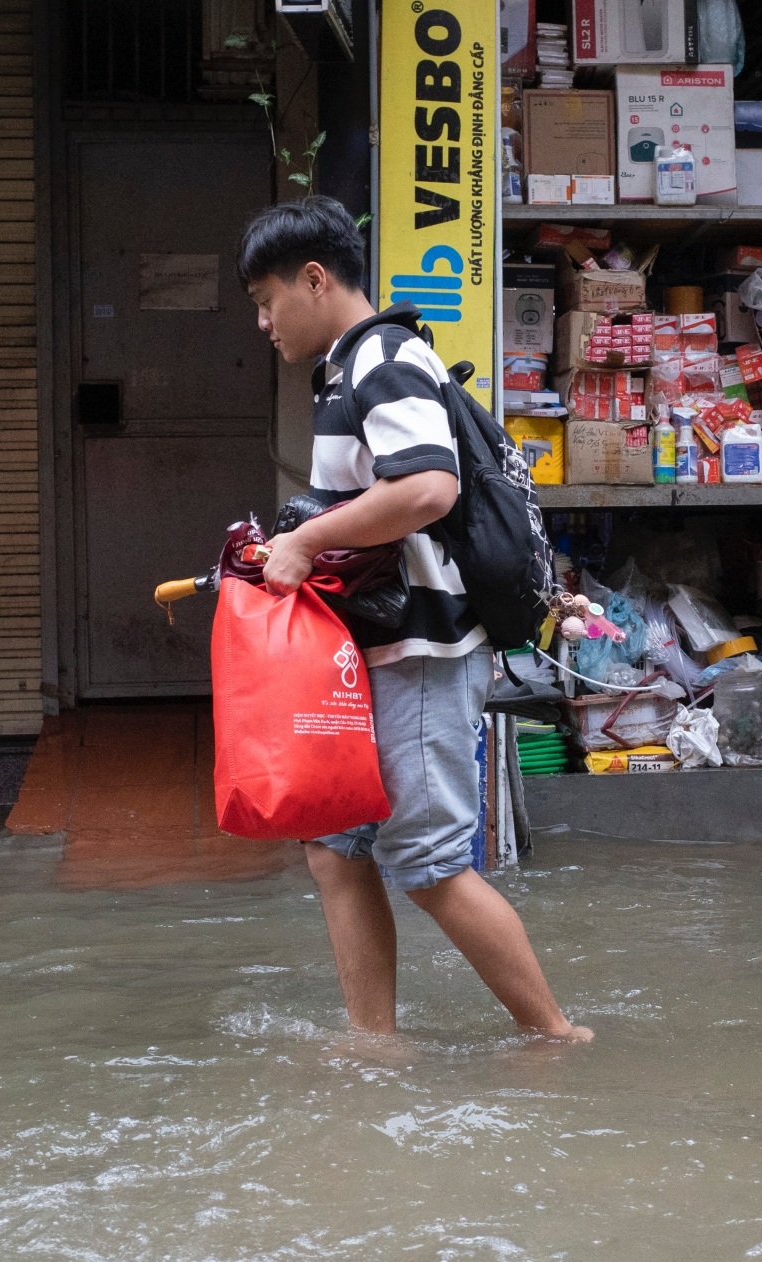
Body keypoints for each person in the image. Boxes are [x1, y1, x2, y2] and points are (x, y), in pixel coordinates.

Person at [234, 196, 589, 1043]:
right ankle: (373, 1045)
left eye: (266, 300)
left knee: (429, 867)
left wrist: (310, 536)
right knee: (336, 849)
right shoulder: (351, 367)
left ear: (314, 280)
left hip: (424, 654)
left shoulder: (381, 359)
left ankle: (557, 1038)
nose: (261, 322)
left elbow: (429, 487)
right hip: (378, 656)